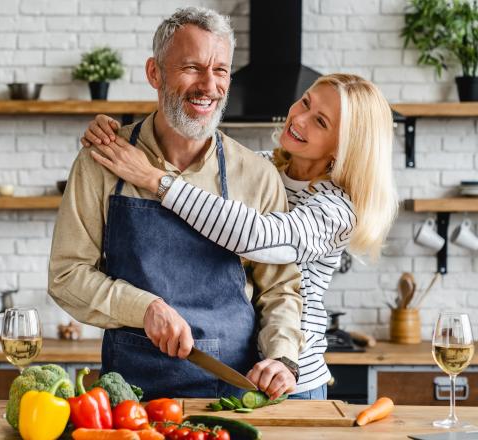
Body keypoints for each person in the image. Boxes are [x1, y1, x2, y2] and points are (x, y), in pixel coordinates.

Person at [80, 73, 399, 399]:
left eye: (320, 121)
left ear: (345, 146)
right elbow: (195, 165)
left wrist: (153, 179)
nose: (299, 119)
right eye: (305, 102)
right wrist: (122, 137)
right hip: (241, 367)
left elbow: (257, 237)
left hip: (290, 375)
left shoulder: (336, 209)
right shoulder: (261, 168)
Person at [49, 7, 304, 401]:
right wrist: (145, 308)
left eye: (220, 70)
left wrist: (282, 357)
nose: (209, 85)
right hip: (130, 396)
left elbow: (280, 289)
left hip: (234, 392)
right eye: (191, 67)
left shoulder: (256, 175)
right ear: (155, 73)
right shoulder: (102, 160)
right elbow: (67, 276)